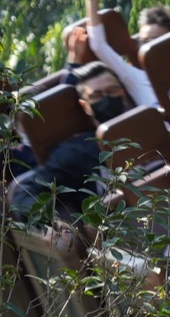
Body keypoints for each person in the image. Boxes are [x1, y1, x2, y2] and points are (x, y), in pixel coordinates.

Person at [7, 68, 124, 219]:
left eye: (113, 91)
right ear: (85, 106)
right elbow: (26, 192)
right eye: (97, 96)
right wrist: (49, 224)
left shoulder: (150, 123)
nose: (107, 99)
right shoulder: (76, 152)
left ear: (123, 93)